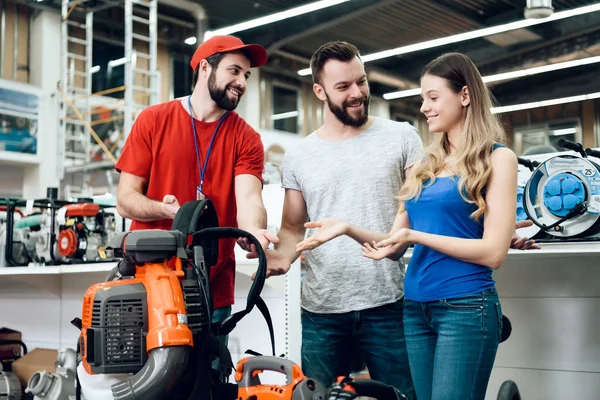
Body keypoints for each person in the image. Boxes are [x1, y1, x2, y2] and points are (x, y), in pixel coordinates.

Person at [296, 52, 521, 400]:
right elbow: (392, 244)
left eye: (433, 97)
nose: (425, 108)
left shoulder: (497, 158)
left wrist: (416, 235)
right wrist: (346, 228)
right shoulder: (427, 165)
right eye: (423, 99)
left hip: (465, 306)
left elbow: (493, 253)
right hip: (415, 310)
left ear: (464, 95)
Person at [256, 40, 420, 398]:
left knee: (404, 395)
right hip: (322, 310)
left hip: (388, 303)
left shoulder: (402, 137)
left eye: (360, 81)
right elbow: (292, 227)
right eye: (343, 87)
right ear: (319, 91)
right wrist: (281, 256)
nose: (357, 93)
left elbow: (419, 215)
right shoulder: (299, 156)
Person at [115, 35, 278, 328]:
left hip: (210, 289)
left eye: (246, 74)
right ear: (205, 68)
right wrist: (167, 211)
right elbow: (126, 200)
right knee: (146, 373)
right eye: (234, 70)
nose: (242, 81)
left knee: (209, 373)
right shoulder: (153, 120)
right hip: (151, 281)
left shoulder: (247, 138)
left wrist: (254, 231)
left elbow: (250, 198)